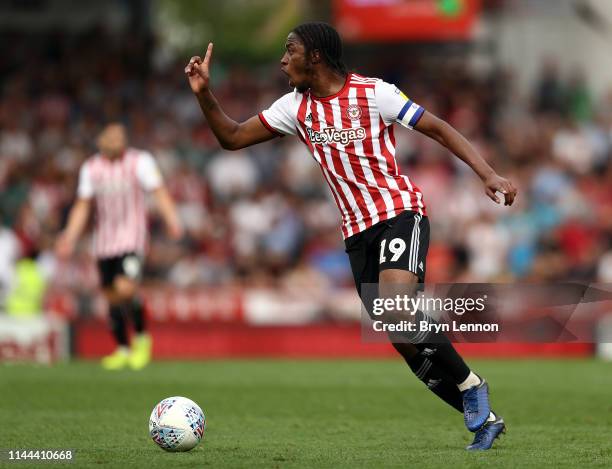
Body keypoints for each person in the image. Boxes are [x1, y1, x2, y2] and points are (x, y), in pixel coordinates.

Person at [185, 22, 517, 450]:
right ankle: (485, 420)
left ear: (316, 56)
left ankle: (472, 386)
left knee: (397, 311)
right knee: (404, 342)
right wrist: (204, 94)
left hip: (399, 213)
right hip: (356, 234)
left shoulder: (374, 92)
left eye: (290, 50)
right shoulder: (294, 107)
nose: (283, 59)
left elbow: (436, 127)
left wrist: (488, 174)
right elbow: (231, 137)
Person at [56, 123, 183, 370]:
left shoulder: (140, 161)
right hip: (104, 242)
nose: (116, 142)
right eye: (111, 138)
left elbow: (159, 191)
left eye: (120, 138)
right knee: (112, 297)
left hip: (132, 238)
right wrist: (69, 236)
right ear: (100, 140)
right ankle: (123, 349)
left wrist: (172, 219)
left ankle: (142, 338)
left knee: (126, 289)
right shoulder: (91, 168)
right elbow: (82, 206)